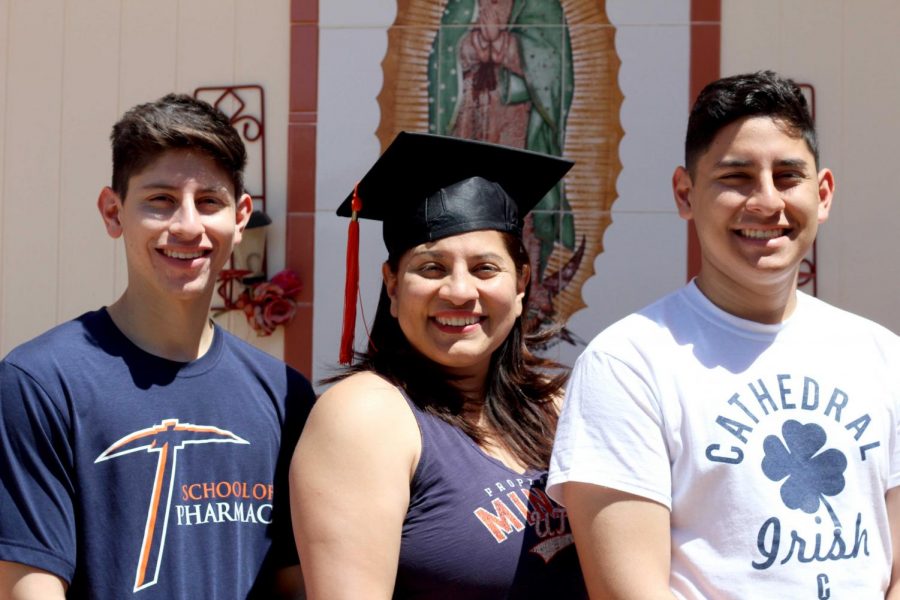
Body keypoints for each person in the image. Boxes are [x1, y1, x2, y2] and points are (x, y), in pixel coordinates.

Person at [547, 70, 900, 598]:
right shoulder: (628, 364)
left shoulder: (881, 355)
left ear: (822, 194)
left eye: (787, 175)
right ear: (685, 194)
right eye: (735, 178)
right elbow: (630, 591)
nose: (766, 202)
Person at [0, 94, 315, 599]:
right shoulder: (42, 383)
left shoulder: (284, 397)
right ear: (112, 211)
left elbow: (295, 584)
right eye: (160, 200)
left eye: (208, 202)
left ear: (240, 216)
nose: (187, 225)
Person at [290, 132, 587, 598]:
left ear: (522, 280)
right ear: (391, 283)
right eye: (431, 268)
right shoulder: (367, 415)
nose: (459, 291)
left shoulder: (556, 405)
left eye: (485, 269)